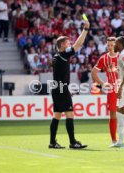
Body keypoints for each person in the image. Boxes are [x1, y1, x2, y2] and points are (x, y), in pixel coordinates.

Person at [48, 19, 90, 149]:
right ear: (61, 45)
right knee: (69, 114)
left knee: (57, 116)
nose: (69, 44)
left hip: (58, 89)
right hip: (61, 89)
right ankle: (72, 142)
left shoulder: (57, 56)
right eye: (67, 42)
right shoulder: (63, 55)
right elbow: (78, 45)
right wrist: (85, 29)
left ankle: (52, 142)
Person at [91, 37, 118, 145]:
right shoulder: (104, 58)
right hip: (112, 89)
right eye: (108, 45)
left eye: (112, 45)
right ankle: (114, 140)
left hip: (123, 88)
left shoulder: (122, 57)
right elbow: (93, 72)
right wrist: (103, 84)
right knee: (113, 114)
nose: (110, 47)